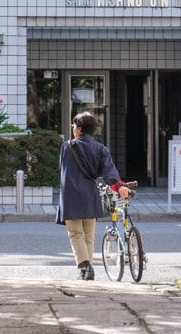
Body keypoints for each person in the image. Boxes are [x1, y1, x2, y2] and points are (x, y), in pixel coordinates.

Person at [56, 111, 129, 280]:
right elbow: (110, 173)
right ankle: (85, 271)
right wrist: (119, 186)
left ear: (79, 129)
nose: (73, 129)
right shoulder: (101, 149)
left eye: (74, 126)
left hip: (71, 196)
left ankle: (86, 265)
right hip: (91, 194)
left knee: (75, 234)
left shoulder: (67, 146)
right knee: (88, 236)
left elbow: (63, 169)